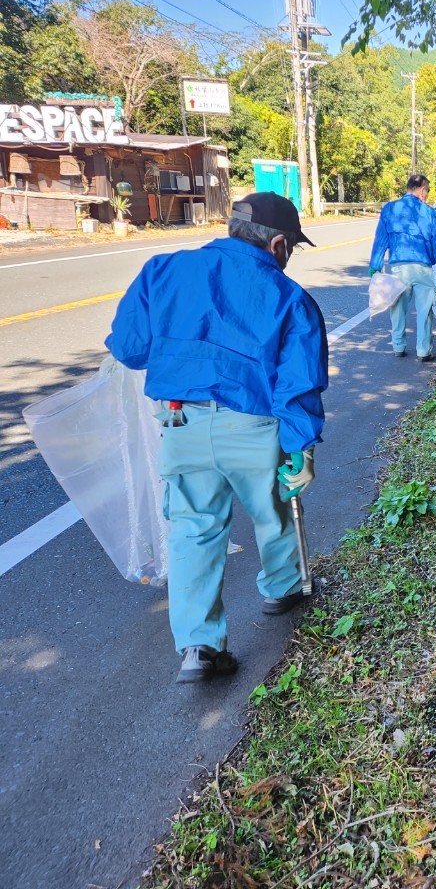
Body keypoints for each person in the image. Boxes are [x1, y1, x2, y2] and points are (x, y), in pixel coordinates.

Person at [105, 192, 328, 684]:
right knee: (273, 508)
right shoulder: (289, 298)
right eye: (291, 246)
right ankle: (284, 588)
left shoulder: (162, 270)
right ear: (277, 244)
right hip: (253, 427)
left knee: (193, 526)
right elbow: (298, 383)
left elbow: (129, 347)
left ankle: (199, 646)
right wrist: (301, 448)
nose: (289, 255)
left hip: (181, 423)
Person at [369, 174, 436, 362]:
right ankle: (424, 350)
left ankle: (398, 346)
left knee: (397, 308)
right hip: (423, 268)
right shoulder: (430, 213)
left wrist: (375, 265)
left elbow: (381, 239)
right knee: (425, 310)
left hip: (399, 268)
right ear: (421, 190)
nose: (427, 195)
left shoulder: (389, 209)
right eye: (427, 191)